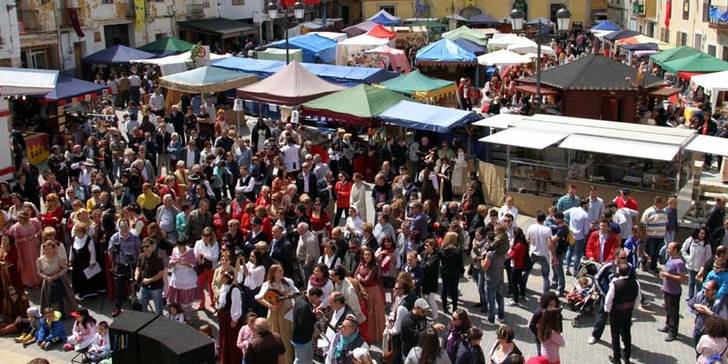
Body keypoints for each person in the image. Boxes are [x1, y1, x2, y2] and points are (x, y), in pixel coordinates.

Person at [255, 264, 299, 364]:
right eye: (279, 271)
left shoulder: (288, 282)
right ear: (273, 273)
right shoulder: (268, 284)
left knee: (287, 337)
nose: (282, 273)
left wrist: (289, 296)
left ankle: (288, 361)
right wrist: (270, 306)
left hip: (286, 312)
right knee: (275, 337)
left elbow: (297, 292)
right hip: (274, 312)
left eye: (282, 271)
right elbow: (258, 297)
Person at [604, 263, 641, 364]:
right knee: (627, 334)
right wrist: (633, 308)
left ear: (618, 271)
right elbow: (638, 298)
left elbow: (608, 300)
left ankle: (617, 359)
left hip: (615, 313)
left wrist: (607, 310)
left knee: (615, 335)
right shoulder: (636, 283)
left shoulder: (614, 284)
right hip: (627, 312)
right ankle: (627, 358)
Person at [107, 219, 142, 317]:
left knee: (134, 286)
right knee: (120, 288)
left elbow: (139, 250)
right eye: (122, 227)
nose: (124, 229)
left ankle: (135, 305)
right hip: (120, 265)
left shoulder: (134, 237)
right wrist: (113, 263)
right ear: (119, 227)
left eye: (126, 226)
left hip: (132, 265)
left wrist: (139, 264)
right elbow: (110, 251)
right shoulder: (115, 238)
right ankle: (117, 308)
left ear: (129, 226)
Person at [36, 240, 77, 316]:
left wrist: (58, 275)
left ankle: (65, 313)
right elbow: (39, 272)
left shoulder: (58, 258)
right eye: (46, 249)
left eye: (50, 249)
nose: (48, 251)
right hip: (48, 282)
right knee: (50, 299)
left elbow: (65, 268)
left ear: (53, 249)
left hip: (60, 281)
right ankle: (52, 314)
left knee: (63, 298)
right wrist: (46, 277)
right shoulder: (40, 260)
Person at [356, 246, 386, 342]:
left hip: (373, 292)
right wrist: (359, 277)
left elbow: (367, 281)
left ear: (372, 256)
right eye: (365, 254)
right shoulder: (361, 264)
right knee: (366, 315)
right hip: (363, 292)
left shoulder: (374, 266)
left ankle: (375, 336)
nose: (367, 256)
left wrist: (359, 277)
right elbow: (354, 275)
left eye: (369, 254)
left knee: (374, 314)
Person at [68, 223, 105, 300]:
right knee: (77, 278)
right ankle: (79, 292)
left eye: (79, 231)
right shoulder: (74, 239)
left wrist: (92, 262)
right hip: (77, 263)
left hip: (85, 263)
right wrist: (70, 259)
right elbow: (72, 250)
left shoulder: (88, 240)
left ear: (83, 232)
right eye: (77, 231)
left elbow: (92, 252)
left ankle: (87, 293)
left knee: (85, 279)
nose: (78, 233)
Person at [659, 241, 687, 341]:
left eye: (669, 248)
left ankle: (673, 332)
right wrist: (663, 285)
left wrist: (668, 275)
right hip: (667, 289)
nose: (667, 249)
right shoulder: (670, 258)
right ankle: (667, 326)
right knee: (667, 309)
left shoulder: (679, 262)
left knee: (673, 312)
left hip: (674, 292)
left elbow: (682, 278)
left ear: (675, 250)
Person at [166, 239, 198, 319]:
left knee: (186, 299)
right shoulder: (175, 250)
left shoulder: (190, 251)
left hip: (187, 277)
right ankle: (177, 314)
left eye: (182, 247)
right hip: (177, 277)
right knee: (177, 298)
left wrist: (187, 264)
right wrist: (173, 262)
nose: (180, 249)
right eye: (179, 247)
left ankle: (186, 315)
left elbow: (194, 265)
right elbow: (171, 261)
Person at [292, 286, 324, 364]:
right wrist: (315, 317)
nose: (318, 300)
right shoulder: (304, 306)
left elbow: (305, 318)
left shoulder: (302, 299)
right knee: (300, 360)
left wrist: (313, 314)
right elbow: (304, 325)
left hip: (306, 338)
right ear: (314, 296)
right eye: (318, 298)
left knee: (308, 357)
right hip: (302, 339)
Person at [217, 270, 242, 364]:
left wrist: (234, 319)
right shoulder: (224, 287)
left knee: (231, 341)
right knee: (224, 338)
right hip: (223, 317)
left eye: (223, 277)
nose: (221, 279)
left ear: (227, 278)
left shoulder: (234, 289)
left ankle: (233, 360)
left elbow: (237, 305)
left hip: (230, 318)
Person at [134, 237, 165, 315]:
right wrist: (136, 278)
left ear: (152, 246)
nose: (145, 248)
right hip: (144, 286)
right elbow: (138, 268)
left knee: (158, 309)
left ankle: (159, 323)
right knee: (142, 307)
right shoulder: (141, 256)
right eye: (143, 246)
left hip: (156, 287)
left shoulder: (158, 257)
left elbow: (161, 274)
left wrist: (149, 280)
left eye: (147, 246)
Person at [683, 227, 713, 300]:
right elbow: (683, 250)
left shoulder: (707, 244)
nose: (702, 235)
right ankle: (690, 295)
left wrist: (704, 267)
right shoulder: (690, 240)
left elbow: (708, 257)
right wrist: (688, 258)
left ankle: (697, 298)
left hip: (700, 268)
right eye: (701, 233)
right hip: (690, 266)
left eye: (704, 234)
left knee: (699, 283)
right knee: (691, 282)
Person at [527, 212, 552, 295]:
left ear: (536, 218)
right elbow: (550, 244)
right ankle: (546, 294)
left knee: (527, 271)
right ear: (544, 219)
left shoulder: (531, 227)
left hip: (533, 252)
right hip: (544, 254)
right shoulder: (547, 229)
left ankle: (522, 287)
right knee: (545, 277)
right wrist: (553, 255)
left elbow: (528, 240)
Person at [641, 196, 668, 273]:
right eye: (662, 203)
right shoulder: (648, 211)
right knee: (649, 252)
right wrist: (644, 235)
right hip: (651, 237)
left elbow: (665, 222)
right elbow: (643, 223)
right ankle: (643, 262)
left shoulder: (664, 212)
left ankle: (653, 267)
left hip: (661, 237)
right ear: (657, 203)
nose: (664, 205)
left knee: (656, 253)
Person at [529, 292, 561, 356]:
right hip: (541, 338)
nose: (552, 306)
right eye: (550, 304)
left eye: (554, 304)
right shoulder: (539, 312)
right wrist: (539, 335)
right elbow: (532, 326)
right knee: (541, 354)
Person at [440, 232, 464, 314]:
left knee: (444, 288)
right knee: (454, 290)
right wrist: (462, 271)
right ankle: (454, 308)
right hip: (454, 272)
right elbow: (460, 262)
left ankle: (444, 306)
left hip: (444, 271)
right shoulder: (457, 250)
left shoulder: (442, 249)